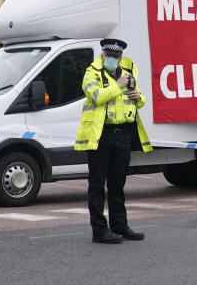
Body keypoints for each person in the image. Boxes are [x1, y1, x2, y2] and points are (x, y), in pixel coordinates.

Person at [75, 38, 153, 244]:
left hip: (123, 134)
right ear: (102, 55)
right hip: (101, 134)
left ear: (120, 57)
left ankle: (119, 225)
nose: (113, 59)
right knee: (97, 184)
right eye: (109, 56)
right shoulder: (91, 72)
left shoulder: (128, 71)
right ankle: (99, 230)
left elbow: (138, 98)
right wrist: (118, 86)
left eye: (116, 56)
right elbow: (96, 96)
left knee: (118, 183)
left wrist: (139, 98)